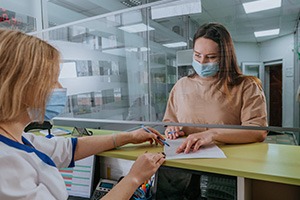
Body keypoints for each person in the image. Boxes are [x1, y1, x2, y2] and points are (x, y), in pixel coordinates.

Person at [0, 29, 166, 200]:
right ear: (19, 87)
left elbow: (69, 149)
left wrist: (128, 137)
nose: (60, 87)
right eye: (52, 80)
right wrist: (134, 178)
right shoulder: (6, 165)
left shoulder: (18, 138)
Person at [157, 22, 268, 200]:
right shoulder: (181, 85)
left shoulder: (246, 86)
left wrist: (212, 134)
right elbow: (170, 120)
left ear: (225, 57)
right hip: (182, 169)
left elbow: (257, 131)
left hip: (224, 172)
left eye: (211, 57)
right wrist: (171, 129)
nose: (202, 62)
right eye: (197, 55)